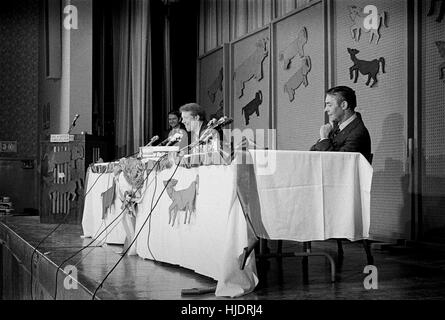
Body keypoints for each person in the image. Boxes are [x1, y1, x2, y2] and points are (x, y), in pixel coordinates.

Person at [310, 86, 372, 162]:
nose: (325, 109)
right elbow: (312, 153)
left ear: (344, 105)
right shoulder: (335, 128)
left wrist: (324, 138)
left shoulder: (358, 133)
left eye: (329, 105)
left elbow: (336, 163)